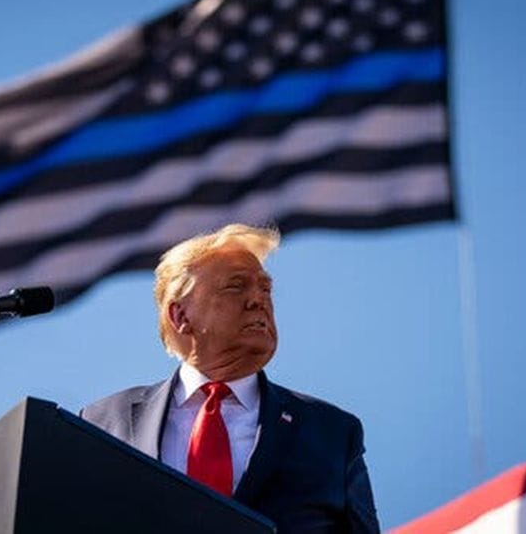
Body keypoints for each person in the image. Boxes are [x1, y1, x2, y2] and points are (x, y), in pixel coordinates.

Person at [81, 223, 380, 533]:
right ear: (180, 316)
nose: (258, 300)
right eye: (236, 286)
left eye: (265, 288)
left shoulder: (331, 432)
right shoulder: (103, 423)